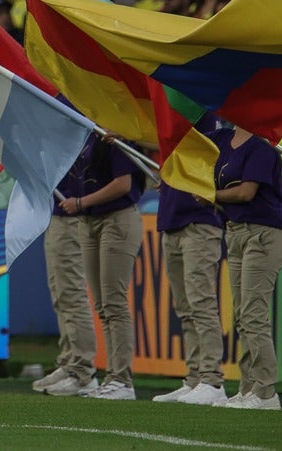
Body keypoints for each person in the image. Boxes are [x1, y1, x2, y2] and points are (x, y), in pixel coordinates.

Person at [56, 135, 144, 400]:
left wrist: (82, 202)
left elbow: (123, 184)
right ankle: (114, 377)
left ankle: (122, 380)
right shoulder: (89, 136)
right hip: (90, 223)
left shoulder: (115, 136)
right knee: (103, 306)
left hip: (116, 220)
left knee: (114, 302)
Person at [209, 125, 282, 410]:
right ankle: (248, 388)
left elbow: (246, 192)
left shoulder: (261, 144)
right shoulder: (223, 139)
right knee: (243, 315)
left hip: (263, 234)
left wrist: (211, 194)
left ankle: (265, 392)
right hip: (236, 231)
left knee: (253, 314)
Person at [151, 175, 227, 405]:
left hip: (200, 221)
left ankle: (212, 380)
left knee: (201, 304)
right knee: (185, 308)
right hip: (171, 221)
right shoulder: (172, 145)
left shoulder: (207, 138)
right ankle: (195, 378)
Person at [32, 167, 99, 397]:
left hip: (72, 215)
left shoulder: (78, 133)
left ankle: (83, 370)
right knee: (60, 293)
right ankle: (69, 361)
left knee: (71, 293)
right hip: (57, 212)